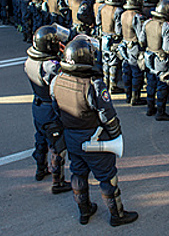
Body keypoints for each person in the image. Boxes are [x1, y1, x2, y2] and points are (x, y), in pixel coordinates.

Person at [51, 37, 138, 227]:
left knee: (78, 174)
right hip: (95, 139)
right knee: (108, 178)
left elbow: (56, 111)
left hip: (72, 137)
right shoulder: (93, 84)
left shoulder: (56, 80)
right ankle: (117, 215)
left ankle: (84, 212)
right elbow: (108, 115)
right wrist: (116, 135)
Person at [24, 26, 72, 194]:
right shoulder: (50, 66)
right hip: (50, 109)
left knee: (40, 139)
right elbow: (63, 81)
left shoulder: (30, 60)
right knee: (57, 146)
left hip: (37, 106)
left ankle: (40, 169)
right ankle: (58, 182)